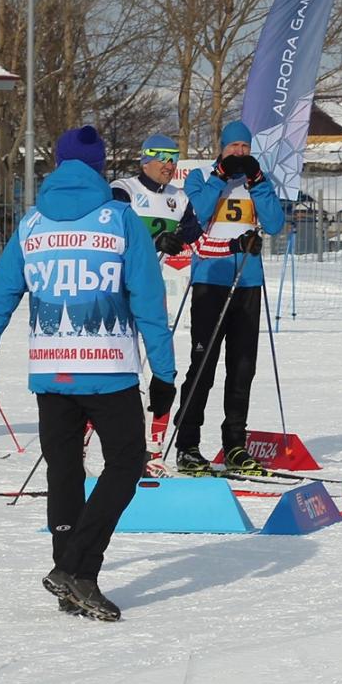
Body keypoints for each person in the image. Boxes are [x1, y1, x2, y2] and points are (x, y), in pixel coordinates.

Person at [0, 125, 176, 621]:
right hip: (110, 371)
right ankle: (80, 568)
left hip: (50, 371)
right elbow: (149, 304)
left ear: (56, 166)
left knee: (65, 471)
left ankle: (66, 573)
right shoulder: (121, 220)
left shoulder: (32, 224)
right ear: (101, 168)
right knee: (125, 465)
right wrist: (164, 375)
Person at [174, 120, 284, 476]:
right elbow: (200, 212)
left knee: (242, 369)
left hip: (248, 282)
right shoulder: (201, 176)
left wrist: (258, 183)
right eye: (233, 148)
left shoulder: (257, 180)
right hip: (210, 279)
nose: (239, 154)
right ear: (221, 148)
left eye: (245, 149)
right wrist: (221, 176)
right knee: (203, 367)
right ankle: (188, 444)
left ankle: (235, 444)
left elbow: (275, 223)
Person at [110, 132, 201, 459]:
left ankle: (154, 450)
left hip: (150, 293)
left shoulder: (180, 199)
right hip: (116, 292)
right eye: (162, 157)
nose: (169, 164)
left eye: (173, 158)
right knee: (113, 369)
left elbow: (197, 236)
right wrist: (154, 243)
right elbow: (113, 238)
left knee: (163, 368)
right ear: (145, 158)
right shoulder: (124, 190)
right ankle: (82, 448)